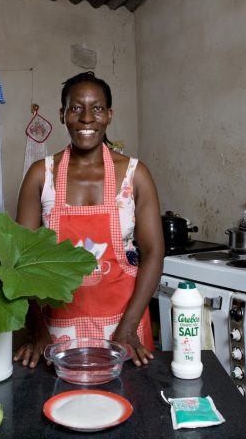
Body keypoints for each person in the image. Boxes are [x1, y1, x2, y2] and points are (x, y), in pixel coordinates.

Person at [12, 71, 163, 367]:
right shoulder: (41, 176)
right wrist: (38, 330)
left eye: (96, 108)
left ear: (108, 115)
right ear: (62, 114)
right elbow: (20, 262)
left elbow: (155, 252)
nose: (86, 118)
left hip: (124, 326)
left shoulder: (136, 175)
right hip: (57, 331)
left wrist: (128, 327)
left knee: (129, 406)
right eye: (76, 108)